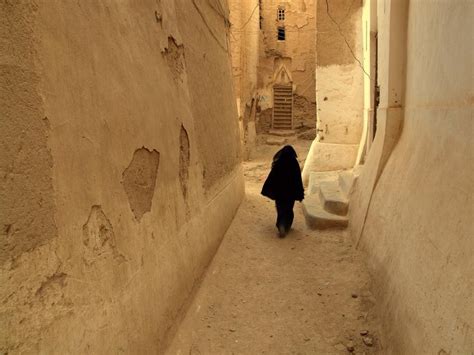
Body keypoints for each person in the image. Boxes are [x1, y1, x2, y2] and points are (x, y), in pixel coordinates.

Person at [261, 145, 304, 238]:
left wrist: (268, 189)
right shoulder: (294, 163)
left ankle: (281, 225)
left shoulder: (279, 163)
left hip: (280, 193)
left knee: (281, 209)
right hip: (290, 194)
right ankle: (287, 226)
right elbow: (298, 179)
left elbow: (272, 177)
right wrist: (300, 193)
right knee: (288, 209)